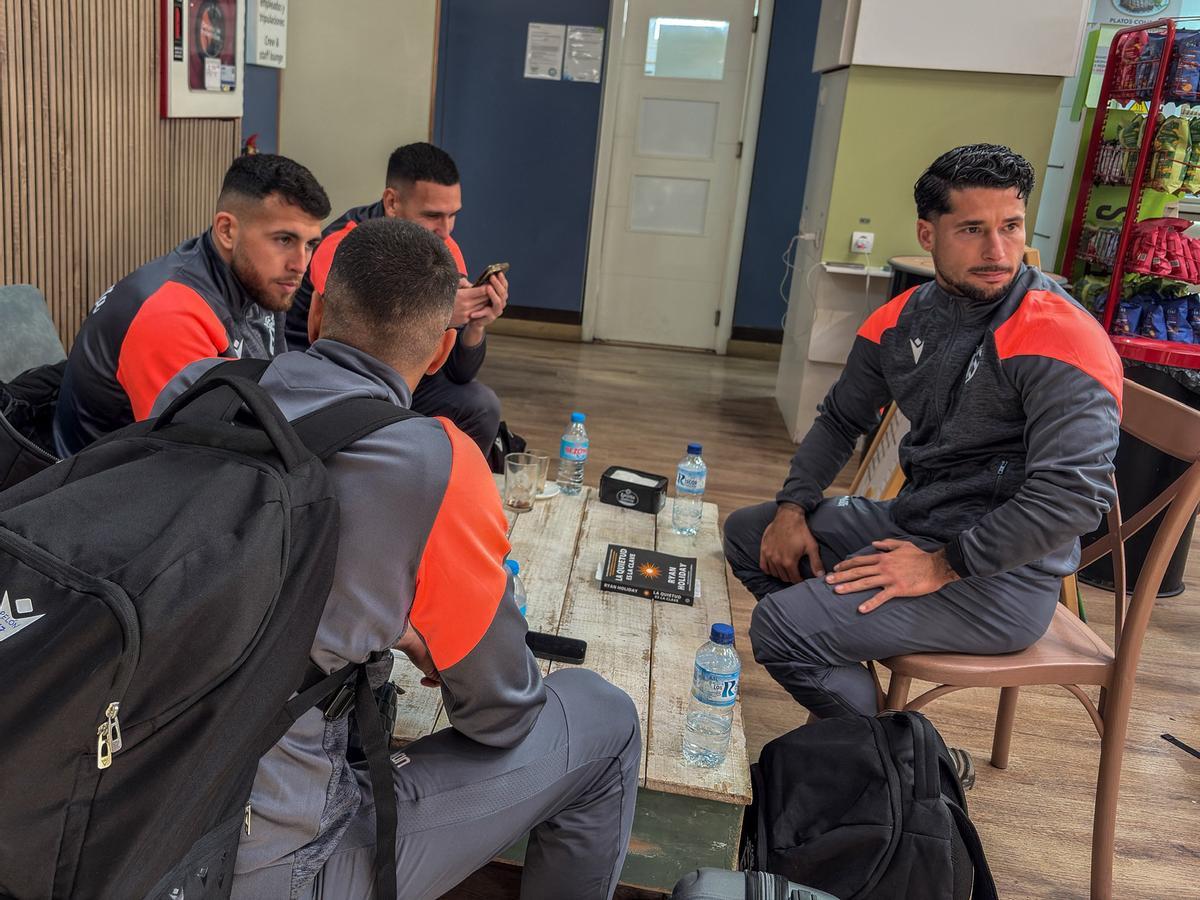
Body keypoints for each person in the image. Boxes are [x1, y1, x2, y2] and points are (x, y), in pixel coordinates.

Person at [155, 217, 640, 900]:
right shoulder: (436, 462)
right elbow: (502, 713)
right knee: (605, 719)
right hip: (262, 864)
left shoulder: (199, 387)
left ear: (316, 315)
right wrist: (409, 627)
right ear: (441, 350)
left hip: (127, 812)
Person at [724, 144, 1123, 721]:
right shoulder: (900, 318)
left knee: (781, 626)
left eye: (1011, 227)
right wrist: (792, 507)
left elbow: (1071, 498)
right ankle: (846, 675)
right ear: (927, 234)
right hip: (916, 526)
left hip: (1002, 579)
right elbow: (840, 420)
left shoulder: (1061, 335)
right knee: (751, 534)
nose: (997, 251)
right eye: (972, 230)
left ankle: (894, 750)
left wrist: (939, 566)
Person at [52, 154, 330, 456]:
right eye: (284, 240)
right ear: (226, 230)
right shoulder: (170, 316)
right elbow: (191, 460)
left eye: (310, 244)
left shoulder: (263, 281)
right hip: (112, 476)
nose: (300, 264)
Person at [285, 141, 508, 455]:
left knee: (480, 405)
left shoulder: (443, 249)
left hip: (401, 373)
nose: (445, 230)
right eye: (432, 215)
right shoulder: (341, 244)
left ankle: (449, 481)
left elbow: (459, 373)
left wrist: (475, 325)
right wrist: (439, 317)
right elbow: (354, 341)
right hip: (330, 375)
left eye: (452, 215)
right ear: (392, 202)